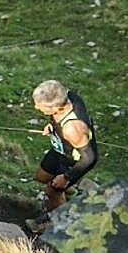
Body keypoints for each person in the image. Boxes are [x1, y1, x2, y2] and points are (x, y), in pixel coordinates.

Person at [25, 80, 99, 233]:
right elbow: (57, 117)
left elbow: (90, 158)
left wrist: (66, 177)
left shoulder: (73, 128)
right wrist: (52, 125)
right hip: (60, 148)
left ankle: (57, 223)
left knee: (52, 191)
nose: (36, 107)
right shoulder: (68, 96)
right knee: (41, 176)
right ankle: (73, 193)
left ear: (57, 108)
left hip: (73, 161)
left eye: (40, 105)